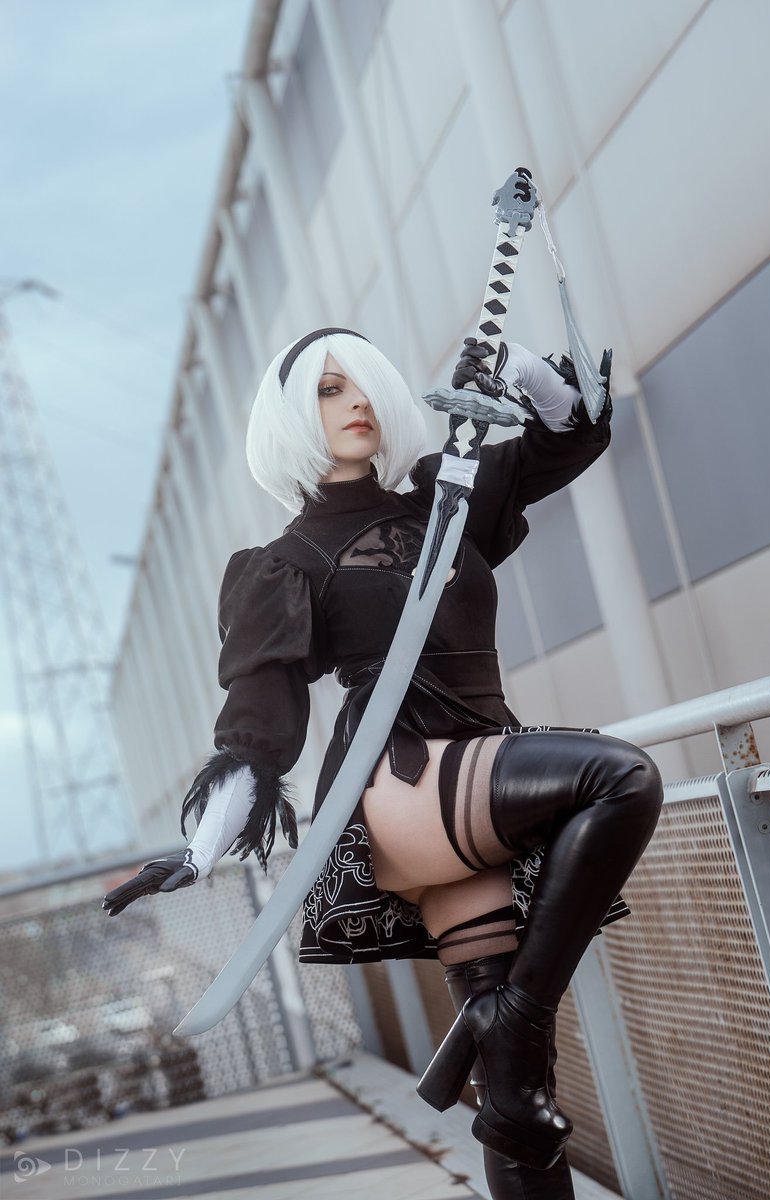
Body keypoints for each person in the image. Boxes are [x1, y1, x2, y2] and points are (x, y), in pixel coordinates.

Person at [103, 328, 663, 1200]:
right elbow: (260, 729)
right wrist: (201, 850)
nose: (354, 402)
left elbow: (571, 436)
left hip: (475, 769)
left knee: (521, 1099)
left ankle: (505, 1039)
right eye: (328, 390)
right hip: (405, 786)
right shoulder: (283, 565)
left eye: (362, 384)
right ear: (291, 417)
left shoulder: (445, 495)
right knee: (619, 777)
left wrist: (513, 369)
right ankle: (516, 1016)